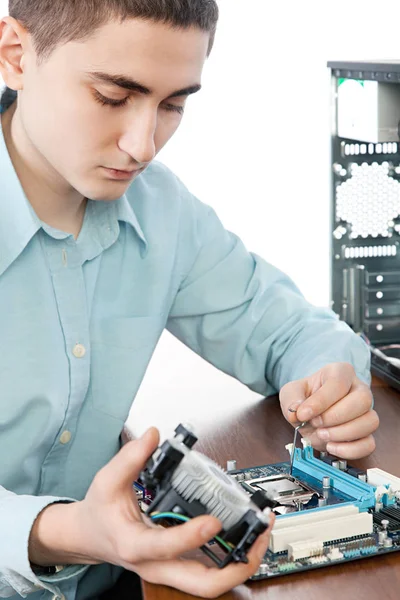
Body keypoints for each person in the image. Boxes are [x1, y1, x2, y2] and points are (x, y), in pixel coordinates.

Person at [0, 1, 378, 599]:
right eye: (112, 95)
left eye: (173, 104)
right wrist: (68, 531)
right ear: (16, 56)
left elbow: (293, 329)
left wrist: (328, 385)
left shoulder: (161, 210)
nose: (143, 144)